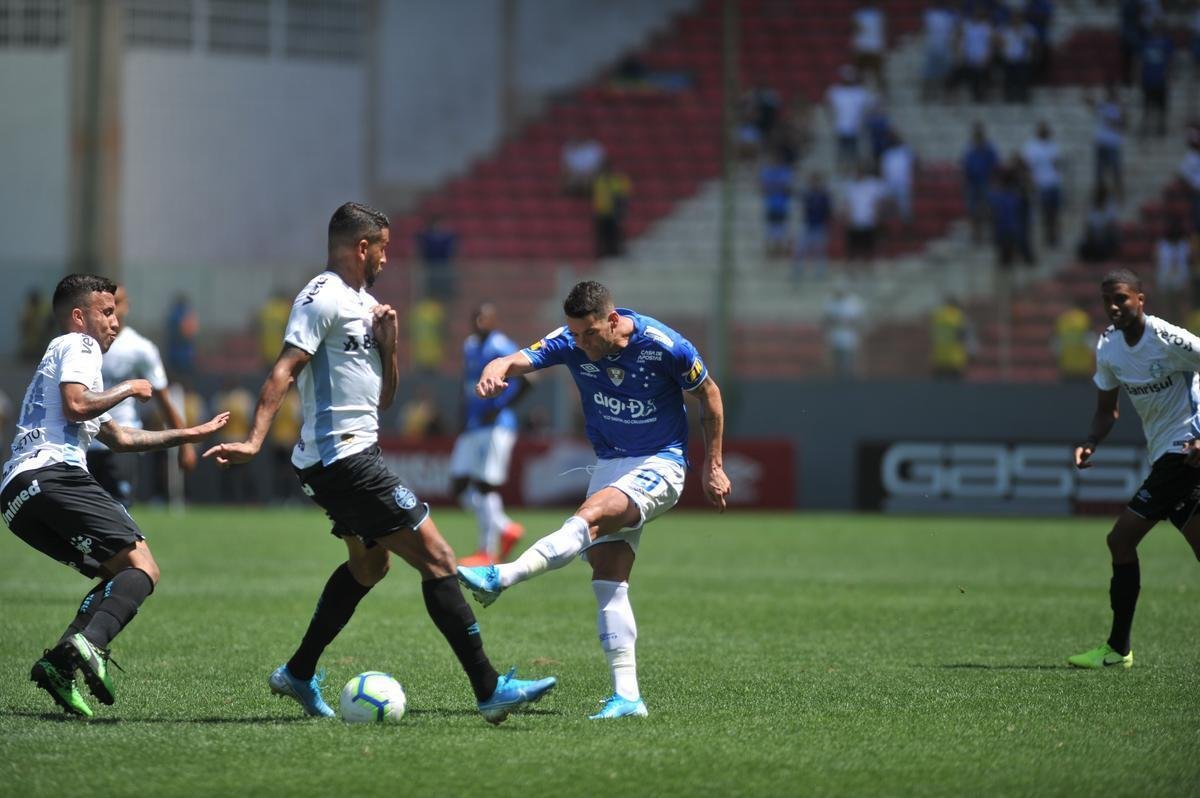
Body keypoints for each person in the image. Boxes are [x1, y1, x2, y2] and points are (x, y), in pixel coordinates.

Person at [203, 202, 555, 724]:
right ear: (362, 247)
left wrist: (390, 348)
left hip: (349, 455)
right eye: (383, 249)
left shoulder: (368, 306)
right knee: (438, 557)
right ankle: (490, 689)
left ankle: (298, 672)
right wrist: (255, 441)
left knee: (370, 565)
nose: (388, 259)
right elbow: (283, 371)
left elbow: (385, 399)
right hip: (341, 457)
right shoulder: (320, 297)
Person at [457, 280, 732, 720]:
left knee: (590, 516)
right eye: (575, 334)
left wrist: (713, 465)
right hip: (609, 464)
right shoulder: (570, 340)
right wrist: (498, 367)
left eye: (589, 334)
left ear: (613, 320)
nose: (581, 344)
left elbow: (710, 394)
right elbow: (516, 359)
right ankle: (628, 697)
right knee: (608, 578)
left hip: (661, 462)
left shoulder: (664, 346)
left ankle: (502, 575)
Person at [2, 274, 228, 718]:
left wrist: (188, 434)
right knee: (144, 567)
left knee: (117, 575)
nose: (115, 321)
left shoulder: (60, 357)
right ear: (78, 316)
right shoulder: (79, 345)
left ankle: (59, 664)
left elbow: (121, 438)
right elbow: (77, 406)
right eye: (106, 312)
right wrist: (130, 387)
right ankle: (89, 644)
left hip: (16, 496)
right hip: (54, 474)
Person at [1068, 269, 1200, 669]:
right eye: (1107, 299)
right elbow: (1107, 411)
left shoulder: (1167, 338)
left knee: (1120, 540)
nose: (1113, 306)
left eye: (1121, 298)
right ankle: (1117, 650)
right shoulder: (1108, 347)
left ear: (1141, 299)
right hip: (1165, 454)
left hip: (1185, 453)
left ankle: (1117, 649)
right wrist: (1091, 441)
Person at [86, 285, 197, 508]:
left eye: (117, 303)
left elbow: (164, 400)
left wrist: (184, 444)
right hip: (84, 443)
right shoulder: (82, 344)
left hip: (121, 443)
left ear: (126, 306)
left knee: (119, 511)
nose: (111, 309)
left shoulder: (140, 348)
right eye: (105, 304)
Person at [451, 303, 530, 567]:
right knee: (459, 484)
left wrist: (499, 408)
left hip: (496, 426)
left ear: (494, 321)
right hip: (472, 425)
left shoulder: (501, 346)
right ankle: (505, 527)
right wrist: (462, 415)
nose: (479, 323)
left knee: (485, 485)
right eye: (475, 318)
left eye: (484, 318)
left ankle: (486, 550)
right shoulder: (470, 346)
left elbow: (529, 381)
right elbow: (466, 383)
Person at [1022, 120, 1063, 249]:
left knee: (1054, 213)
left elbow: (1056, 163)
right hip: (1041, 184)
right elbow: (1028, 167)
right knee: (1045, 213)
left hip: (1054, 183)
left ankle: (1054, 237)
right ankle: (1047, 237)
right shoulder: (1032, 147)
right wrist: (1031, 183)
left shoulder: (1052, 145)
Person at [593, 159, 632, 258]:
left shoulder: (615, 181)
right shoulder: (599, 181)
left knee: (614, 234)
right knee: (602, 235)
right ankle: (603, 253)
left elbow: (620, 197)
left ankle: (616, 251)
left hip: (612, 213)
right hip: (601, 213)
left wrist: (620, 211)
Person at [1053, 300, 1097, 380]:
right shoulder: (1085, 318)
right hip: (1084, 366)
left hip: (1067, 366)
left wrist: (1058, 364)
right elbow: (1092, 344)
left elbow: (1056, 345)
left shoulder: (1062, 319)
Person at [164, 293, 198, 381]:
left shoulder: (174, 314)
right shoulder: (185, 313)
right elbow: (189, 331)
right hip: (182, 352)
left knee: (176, 375)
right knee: (183, 376)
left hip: (176, 351)